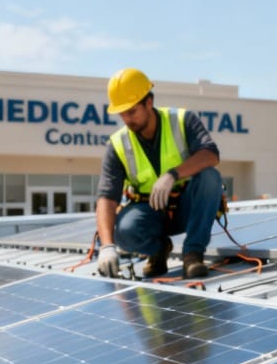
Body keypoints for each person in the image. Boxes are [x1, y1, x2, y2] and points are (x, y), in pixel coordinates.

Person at [95, 67, 224, 280]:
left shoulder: (182, 120)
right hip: (150, 214)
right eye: (122, 114)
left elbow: (211, 154)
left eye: (132, 111)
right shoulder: (118, 144)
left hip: (188, 207)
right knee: (125, 230)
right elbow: (106, 199)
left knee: (210, 177)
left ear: (149, 102)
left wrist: (172, 174)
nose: (127, 119)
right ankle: (157, 250)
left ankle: (193, 255)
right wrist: (107, 246)